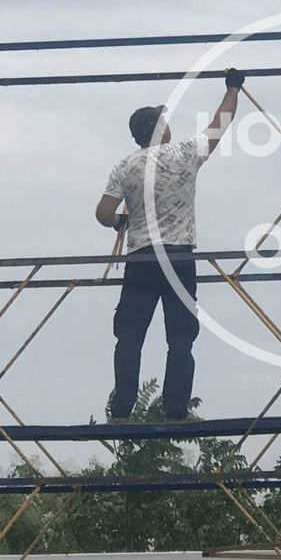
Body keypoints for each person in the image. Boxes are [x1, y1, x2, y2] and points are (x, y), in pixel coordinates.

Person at [95, 68, 245, 424]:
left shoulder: (125, 166)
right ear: (160, 128)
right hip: (178, 256)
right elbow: (219, 124)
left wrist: (120, 222)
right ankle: (176, 410)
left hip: (141, 258)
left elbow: (103, 213)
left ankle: (120, 412)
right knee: (180, 336)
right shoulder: (184, 153)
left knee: (129, 337)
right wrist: (233, 88)